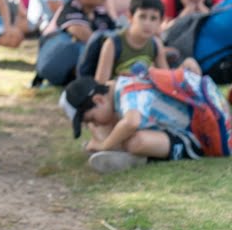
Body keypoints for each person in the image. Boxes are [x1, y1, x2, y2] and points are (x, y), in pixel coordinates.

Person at [60, 63, 227, 174]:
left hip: (201, 134)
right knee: (119, 132)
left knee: (137, 142)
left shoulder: (128, 91)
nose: (92, 124)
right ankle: (121, 153)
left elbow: (132, 122)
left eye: (91, 119)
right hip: (201, 116)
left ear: (99, 100)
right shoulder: (122, 84)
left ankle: (131, 155)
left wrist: (104, 145)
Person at [35, 0, 115, 86]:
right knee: (77, 44)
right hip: (52, 65)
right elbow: (86, 36)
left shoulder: (100, 12)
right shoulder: (70, 9)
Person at [94, 0, 167, 83]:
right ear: (130, 17)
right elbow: (100, 85)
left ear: (160, 22)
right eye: (142, 17)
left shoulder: (156, 44)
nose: (147, 23)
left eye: (153, 18)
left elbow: (166, 78)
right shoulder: (112, 44)